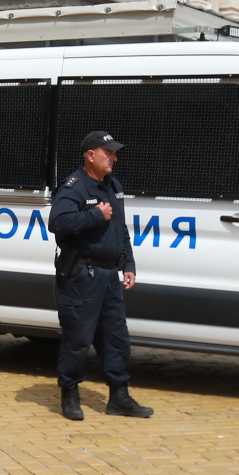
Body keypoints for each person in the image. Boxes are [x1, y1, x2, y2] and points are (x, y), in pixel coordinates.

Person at [48, 131, 153, 421]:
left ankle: (119, 397)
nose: (115, 158)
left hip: (109, 275)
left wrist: (128, 263)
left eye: (115, 153)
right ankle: (69, 394)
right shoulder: (75, 186)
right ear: (91, 155)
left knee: (117, 338)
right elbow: (57, 222)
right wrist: (95, 215)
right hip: (82, 275)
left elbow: (120, 228)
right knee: (78, 339)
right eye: (109, 153)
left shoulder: (112, 186)